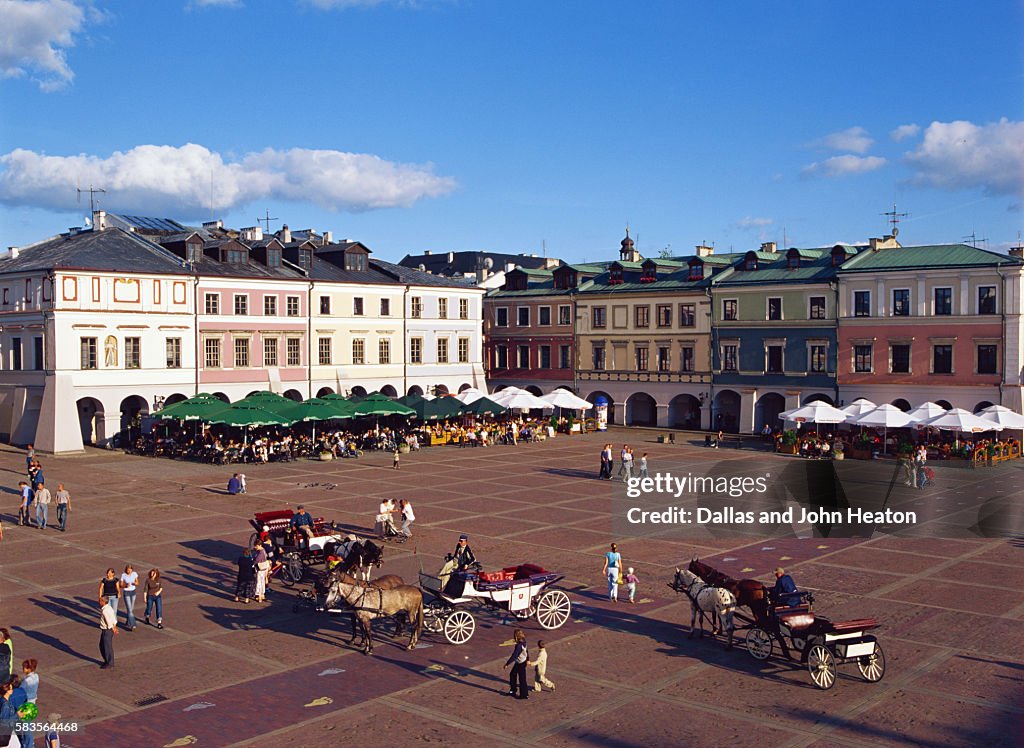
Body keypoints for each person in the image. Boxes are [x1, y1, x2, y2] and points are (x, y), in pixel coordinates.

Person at [503, 629, 529, 699]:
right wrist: (528, 659)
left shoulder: (519, 645)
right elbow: (527, 651)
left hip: (520, 663)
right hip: (522, 661)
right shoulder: (524, 641)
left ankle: (523, 694)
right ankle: (513, 690)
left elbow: (514, 656)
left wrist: (507, 664)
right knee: (513, 674)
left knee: (521, 679)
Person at [98, 598, 117, 668]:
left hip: (107, 630)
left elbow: (108, 621)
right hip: (108, 630)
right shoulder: (109, 608)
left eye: (100, 601)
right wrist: (114, 626)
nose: (99, 602)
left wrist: (112, 628)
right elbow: (113, 618)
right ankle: (108, 660)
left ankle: (109, 662)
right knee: (103, 645)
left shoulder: (105, 611)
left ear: (103, 602)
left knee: (106, 646)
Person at [120, 564, 139, 631]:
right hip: (126, 592)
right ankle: (133, 624)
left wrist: (135, 583)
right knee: (129, 609)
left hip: (133, 592)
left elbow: (137, 582)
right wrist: (125, 585)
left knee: (131, 608)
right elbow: (121, 584)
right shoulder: (123, 575)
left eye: (130, 569)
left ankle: (128, 621)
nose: (129, 570)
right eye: (128, 569)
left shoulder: (134, 574)